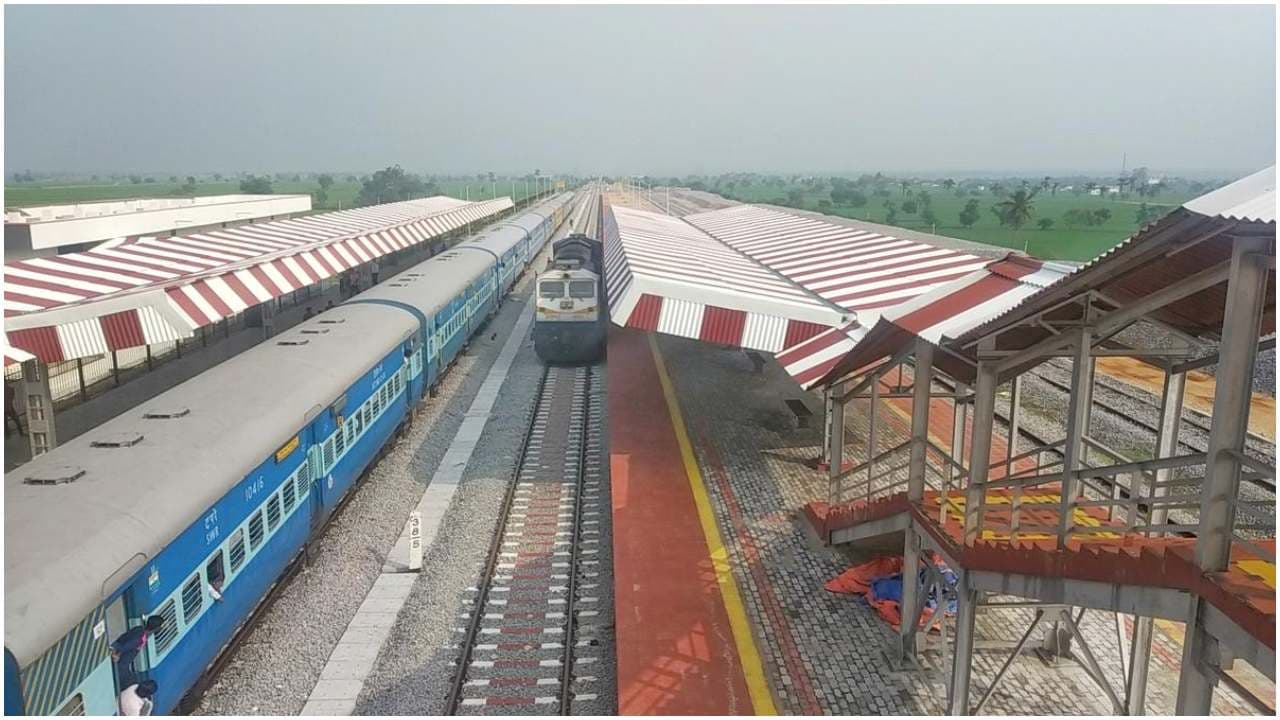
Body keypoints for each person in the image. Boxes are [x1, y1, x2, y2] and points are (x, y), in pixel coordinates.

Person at [110, 616, 164, 685]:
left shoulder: (139, 628)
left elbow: (123, 637)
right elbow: (125, 647)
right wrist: (117, 654)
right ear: (157, 628)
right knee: (132, 683)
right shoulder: (140, 639)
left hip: (122, 661)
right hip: (121, 665)